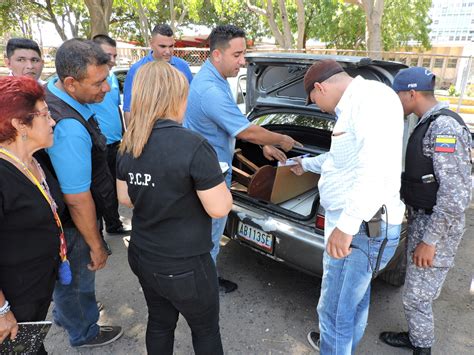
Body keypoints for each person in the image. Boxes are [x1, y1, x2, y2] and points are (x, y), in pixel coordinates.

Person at [290, 59, 406, 353]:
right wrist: (305, 164)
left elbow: (373, 168)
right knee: (353, 304)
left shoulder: (369, 100)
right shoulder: (359, 102)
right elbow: (341, 160)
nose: (317, 107)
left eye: (314, 99)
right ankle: (342, 347)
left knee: (334, 313)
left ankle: (336, 346)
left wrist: (346, 226)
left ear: (320, 86)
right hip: (362, 227)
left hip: (362, 229)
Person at [117, 61, 232, 354]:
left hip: (143, 255)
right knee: (205, 330)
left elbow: (125, 198)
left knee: (159, 322)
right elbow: (219, 208)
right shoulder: (193, 145)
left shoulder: (129, 143)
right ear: (178, 97)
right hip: (185, 264)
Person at [184, 24, 299, 293]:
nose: (242, 61)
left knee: (208, 233)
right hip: (209, 176)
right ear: (216, 55)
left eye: (243, 54)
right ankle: (204, 288)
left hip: (210, 169)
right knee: (210, 235)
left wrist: (263, 148)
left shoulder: (215, 81)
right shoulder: (210, 90)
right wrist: (280, 140)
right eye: (237, 55)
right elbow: (246, 129)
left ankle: (202, 278)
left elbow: (230, 125)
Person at [379, 67, 472, 355]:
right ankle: (417, 336)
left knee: (418, 297)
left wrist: (430, 241)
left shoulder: (443, 128)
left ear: (411, 93)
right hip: (423, 219)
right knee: (416, 291)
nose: (396, 102)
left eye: (398, 96)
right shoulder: (428, 122)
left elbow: (455, 196)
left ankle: (422, 348)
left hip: (437, 227)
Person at [44, 38, 122, 347]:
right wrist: (96, 245)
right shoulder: (69, 128)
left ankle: (68, 313)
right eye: (99, 82)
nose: (106, 88)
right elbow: (77, 199)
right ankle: (84, 331)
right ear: (70, 83)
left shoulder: (55, 91)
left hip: (56, 217)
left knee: (67, 280)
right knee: (78, 277)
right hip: (70, 223)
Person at [0, 76, 61, 354]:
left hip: (34, 293)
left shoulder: (34, 161)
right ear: (19, 124)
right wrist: (1, 310)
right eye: (45, 115)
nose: (52, 122)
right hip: (12, 303)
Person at [91, 34, 130, 250]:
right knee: (99, 190)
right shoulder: (87, 81)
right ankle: (96, 237)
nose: (113, 59)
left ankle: (114, 224)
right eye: (108, 55)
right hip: (98, 146)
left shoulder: (112, 77)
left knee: (115, 188)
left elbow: (116, 108)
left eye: (114, 55)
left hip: (116, 143)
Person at [122, 24, 193, 125]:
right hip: (148, 133)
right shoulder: (136, 70)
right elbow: (129, 110)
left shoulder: (183, 67)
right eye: (162, 46)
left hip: (180, 132)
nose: (168, 51)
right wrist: (133, 138)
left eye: (171, 46)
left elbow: (191, 101)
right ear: (151, 44)